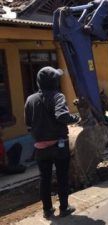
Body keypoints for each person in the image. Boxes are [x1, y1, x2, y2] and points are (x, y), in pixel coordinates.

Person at [25, 66, 80, 219]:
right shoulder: (58, 96)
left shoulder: (30, 99)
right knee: (62, 177)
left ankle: (47, 210)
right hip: (59, 145)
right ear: (54, 81)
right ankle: (64, 208)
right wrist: (75, 118)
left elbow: (28, 123)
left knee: (45, 178)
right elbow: (62, 115)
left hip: (41, 148)